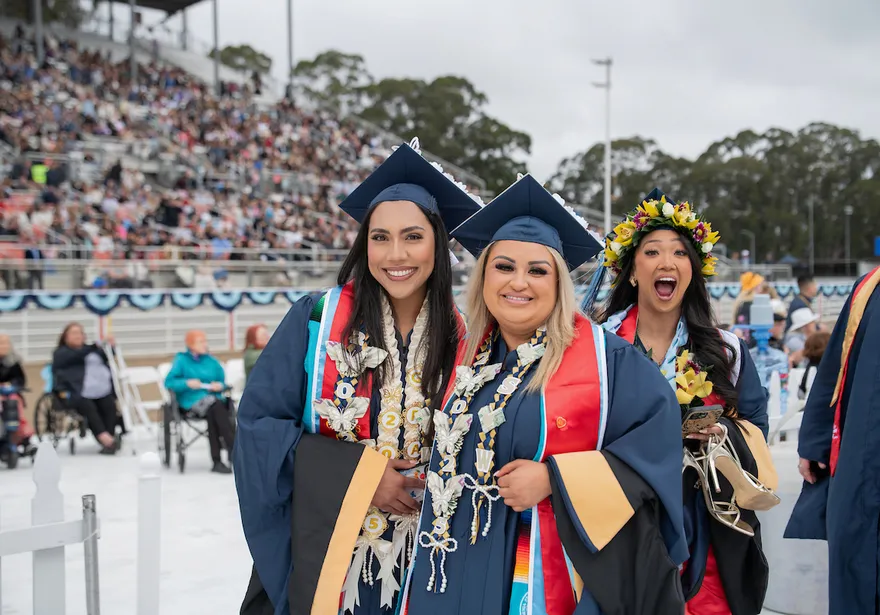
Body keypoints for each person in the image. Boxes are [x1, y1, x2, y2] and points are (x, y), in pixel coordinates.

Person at [397, 175, 687, 614]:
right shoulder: (463, 353)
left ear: (558, 284)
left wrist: (556, 479)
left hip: (540, 573)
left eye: (537, 270)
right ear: (483, 277)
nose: (519, 283)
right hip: (453, 563)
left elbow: (656, 447)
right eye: (504, 266)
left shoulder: (608, 361)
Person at [234, 139, 483, 615]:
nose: (395, 254)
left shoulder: (469, 338)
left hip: (435, 564)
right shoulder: (315, 321)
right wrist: (360, 479)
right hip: (334, 564)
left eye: (412, 236)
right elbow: (259, 433)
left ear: (438, 241)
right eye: (380, 237)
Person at [585, 188, 779, 615]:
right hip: (618, 513)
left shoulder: (726, 350)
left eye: (679, 253)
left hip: (703, 519)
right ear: (632, 270)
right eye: (652, 251)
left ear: (693, 269)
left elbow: (756, 428)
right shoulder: (597, 346)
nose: (666, 262)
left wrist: (720, 435)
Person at [786, 265, 880, 615]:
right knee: (858, 566)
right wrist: (816, 439)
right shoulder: (870, 287)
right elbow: (837, 367)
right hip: (863, 459)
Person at [164, 330, 235, 474]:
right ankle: (233, 449)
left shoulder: (211, 361)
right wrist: (187, 383)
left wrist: (219, 385)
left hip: (213, 401)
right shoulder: (181, 361)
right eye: (200, 342)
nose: (205, 344)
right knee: (217, 408)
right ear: (190, 344)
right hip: (191, 402)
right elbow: (169, 382)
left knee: (215, 410)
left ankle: (217, 460)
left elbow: (222, 381)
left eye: (205, 341)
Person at [52, 323, 120, 454]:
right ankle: (105, 439)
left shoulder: (92, 350)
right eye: (74, 333)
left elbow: (107, 356)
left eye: (80, 333)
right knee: (88, 407)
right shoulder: (61, 353)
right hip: (75, 392)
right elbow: (77, 356)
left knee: (109, 405)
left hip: (100, 390)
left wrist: (111, 346)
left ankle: (110, 436)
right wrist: (96, 344)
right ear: (65, 337)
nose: (78, 336)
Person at [0, 334, 35, 450]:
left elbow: (21, 379)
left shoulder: (13, 362)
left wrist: (12, 385)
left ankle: (24, 437)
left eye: (5, 343)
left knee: (15, 404)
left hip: (11, 394)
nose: (3, 346)